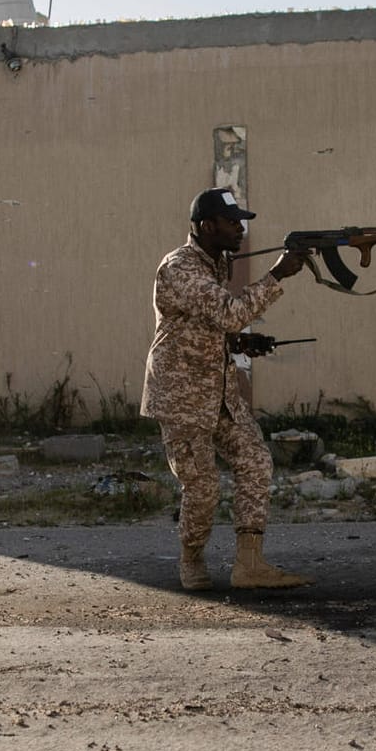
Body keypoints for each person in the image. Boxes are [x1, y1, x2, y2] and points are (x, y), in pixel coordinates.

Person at [140, 187, 314, 591]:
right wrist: (277, 274)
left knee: (255, 462)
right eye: (233, 222)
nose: (241, 229)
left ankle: (249, 564)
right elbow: (229, 313)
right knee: (202, 488)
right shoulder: (180, 267)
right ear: (206, 226)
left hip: (218, 394)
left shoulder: (215, 264)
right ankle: (192, 558)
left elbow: (205, 324)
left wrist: (236, 344)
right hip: (181, 399)